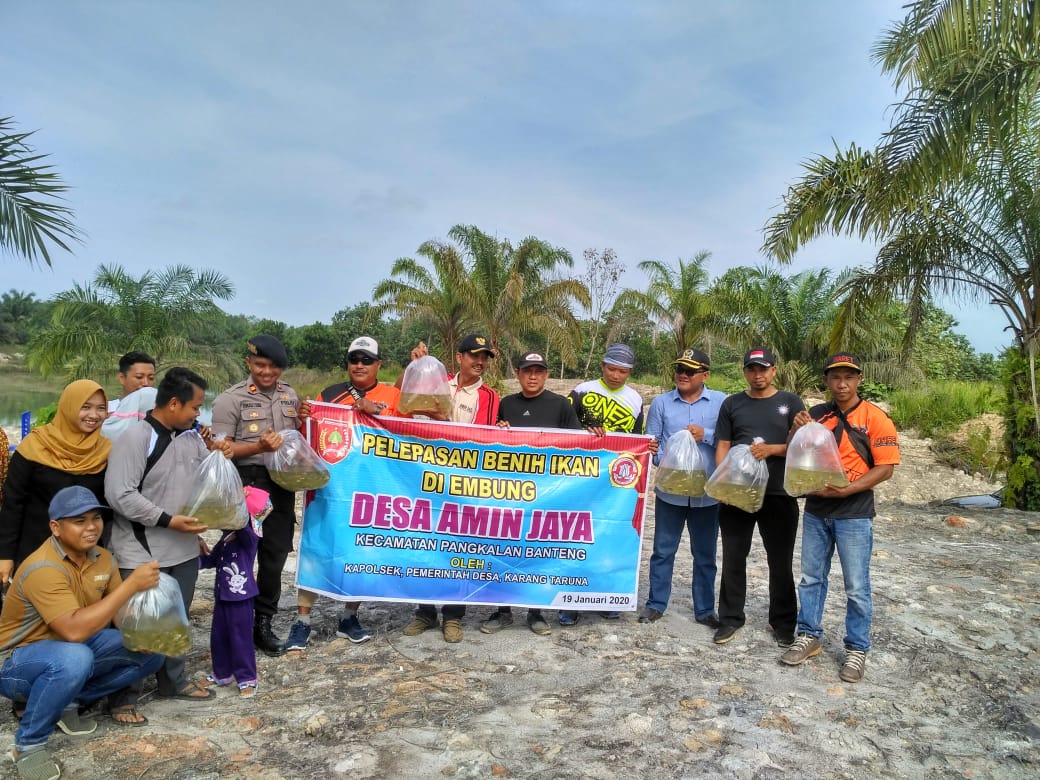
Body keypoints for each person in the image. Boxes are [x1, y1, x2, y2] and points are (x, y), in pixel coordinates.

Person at [0, 486, 165, 780]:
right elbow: (74, 631)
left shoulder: (102, 557)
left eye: (96, 518)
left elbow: (119, 613)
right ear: (56, 527)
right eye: (79, 521)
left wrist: (142, 635)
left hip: (73, 650)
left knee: (151, 654)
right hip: (17, 663)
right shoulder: (43, 567)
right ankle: (28, 745)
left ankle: (63, 702)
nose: (91, 527)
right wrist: (132, 584)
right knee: (75, 657)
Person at [105, 367, 231, 702]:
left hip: (184, 549)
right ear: (174, 404)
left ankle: (173, 682)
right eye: (195, 407)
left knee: (177, 618)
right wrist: (167, 520)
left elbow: (206, 480)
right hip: (143, 551)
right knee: (139, 623)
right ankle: (125, 696)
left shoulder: (191, 437)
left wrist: (218, 451)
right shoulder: (136, 438)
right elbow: (120, 495)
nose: (198, 414)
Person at [780, 353, 900, 683]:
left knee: (857, 586)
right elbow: (795, 452)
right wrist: (795, 429)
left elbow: (886, 467)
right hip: (817, 510)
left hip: (854, 515)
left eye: (848, 377)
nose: (842, 383)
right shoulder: (817, 414)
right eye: (835, 377)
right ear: (827, 381)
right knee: (811, 578)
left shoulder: (875, 418)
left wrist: (849, 490)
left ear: (859, 379)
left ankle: (857, 649)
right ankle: (809, 636)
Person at [283, 336, 401, 651]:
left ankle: (349, 617)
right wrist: (303, 418)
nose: (359, 365)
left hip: (372, 492)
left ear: (378, 364)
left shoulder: (393, 395)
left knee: (362, 550)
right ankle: (302, 621)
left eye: (366, 360)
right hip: (330, 490)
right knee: (316, 549)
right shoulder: (329, 395)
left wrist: (374, 410)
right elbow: (307, 438)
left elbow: (408, 434)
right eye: (354, 359)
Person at [402, 334, 501, 643]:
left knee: (459, 547)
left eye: (484, 357)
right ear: (459, 357)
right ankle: (425, 611)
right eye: (474, 355)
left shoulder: (489, 396)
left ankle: (454, 616)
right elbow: (402, 402)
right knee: (425, 543)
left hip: (462, 481)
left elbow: (479, 439)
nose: (480, 361)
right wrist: (414, 365)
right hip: (426, 475)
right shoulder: (436, 379)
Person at [480, 350, 583, 637]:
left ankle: (535, 611)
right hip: (508, 495)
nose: (533, 376)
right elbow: (489, 446)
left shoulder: (561, 405)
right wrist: (499, 431)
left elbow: (578, 446)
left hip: (547, 495)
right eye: (527, 371)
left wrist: (598, 436)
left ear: (546, 374)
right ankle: (502, 611)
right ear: (517, 374)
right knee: (503, 550)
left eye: (538, 371)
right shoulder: (506, 404)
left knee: (537, 553)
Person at [211, 335, 302, 656]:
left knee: (275, 557)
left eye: (274, 367)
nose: (267, 372)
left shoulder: (290, 395)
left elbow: (297, 437)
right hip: (245, 483)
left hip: (281, 485)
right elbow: (219, 451)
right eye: (261, 365)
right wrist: (258, 447)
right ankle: (233, 622)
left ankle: (262, 623)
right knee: (239, 556)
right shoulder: (229, 400)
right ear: (248, 363)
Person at [712, 348, 805, 646]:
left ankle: (783, 623)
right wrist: (723, 484)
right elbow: (723, 446)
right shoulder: (732, 404)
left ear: (774, 371)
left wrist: (772, 450)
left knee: (780, 562)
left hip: (779, 493)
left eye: (763, 369)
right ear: (745, 372)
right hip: (738, 493)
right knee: (733, 557)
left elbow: (801, 446)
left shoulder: (790, 402)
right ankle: (729, 618)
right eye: (752, 369)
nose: (758, 374)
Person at [560, 342, 646, 625]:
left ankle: (606, 597)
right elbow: (563, 430)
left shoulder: (635, 400)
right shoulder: (582, 390)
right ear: (602, 366)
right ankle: (569, 602)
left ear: (630, 372)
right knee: (577, 534)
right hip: (580, 476)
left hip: (614, 483)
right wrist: (584, 433)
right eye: (611, 368)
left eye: (623, 371)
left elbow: (637, 440)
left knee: (609, 534)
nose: (616, 375)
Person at [639, 348, 725, 629]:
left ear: (705, 375)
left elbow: (730, 440)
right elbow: (653, 443)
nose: (683, 375)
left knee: (705, 555)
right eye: (679, 369)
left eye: (690, 371)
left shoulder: (721, 403)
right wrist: (658, 454)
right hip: (670, 492)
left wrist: (706, 434)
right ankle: (655, 604)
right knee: (663, 550)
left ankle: (704, 610)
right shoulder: (662, 403)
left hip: (707, 494)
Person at [0, 380, 110, 589]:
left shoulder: (105, 451)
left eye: (100, 408)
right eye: (85, 407)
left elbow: (108, 508)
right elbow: (12, 504)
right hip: (35, 552)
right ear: (68, 406)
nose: (93, 415)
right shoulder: (35, 446)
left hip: (85, 557)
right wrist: (5, 555)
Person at [200, 485, 270, 697]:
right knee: (219, 636)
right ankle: (222, 673)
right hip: (222, 596)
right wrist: (196, 555)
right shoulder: (225, 540)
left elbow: (243, 527)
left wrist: (238, 503)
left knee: (241, 638)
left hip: (241, 598)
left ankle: (247, 677)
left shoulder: (248, 538)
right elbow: (211, 560)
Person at [103, 351, 158, 441]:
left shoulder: (160, 413)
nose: (146, 383)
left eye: (151, 378)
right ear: (122, 378)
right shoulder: (105, 411)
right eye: (139, 377)